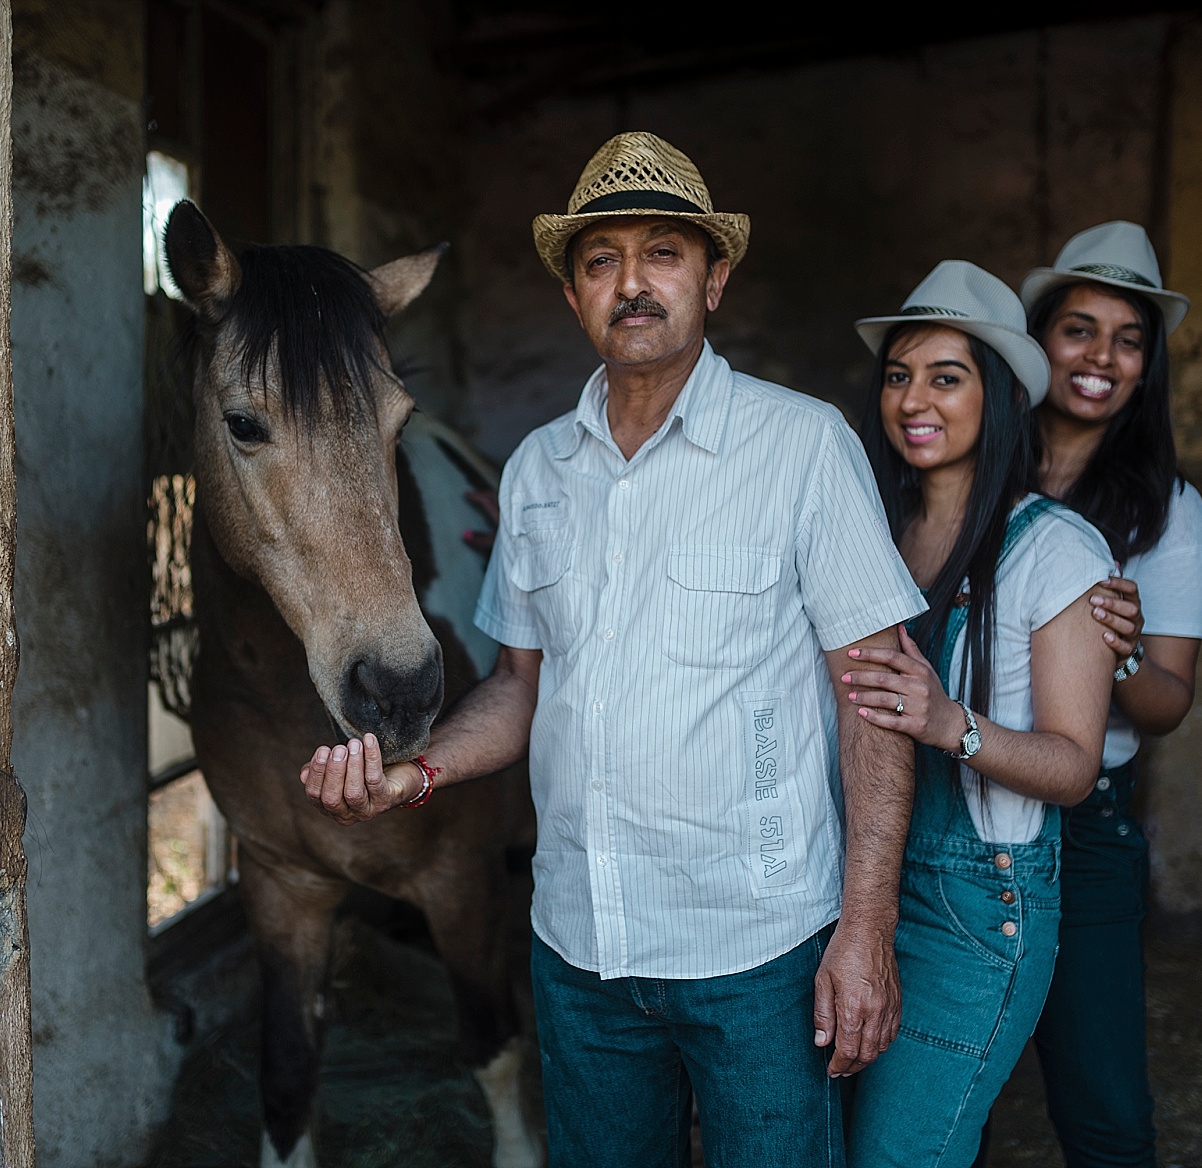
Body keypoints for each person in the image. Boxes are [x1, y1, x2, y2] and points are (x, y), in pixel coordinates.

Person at [298, 131, 927, 1167]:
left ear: (714, 279)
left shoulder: (802, 446)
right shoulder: (541, 470)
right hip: (580, 951)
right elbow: (517, 688)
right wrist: (410, 774)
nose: (630, 282)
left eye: (662, 253)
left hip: (759, 949)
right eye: (600, 261)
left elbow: (873, 699)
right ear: (572, 295)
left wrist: (864, 928)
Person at [840, 260, 1118, 1166]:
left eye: (945, 377)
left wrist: (948, 722)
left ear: (995, 396)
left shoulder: (1058, 551)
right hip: (851, 881)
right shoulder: (865, 531)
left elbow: (1074, 765)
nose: (913, 398)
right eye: (898, 375)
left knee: (901, 1155)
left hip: (976, 905)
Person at [976, 222, 1202, 1168]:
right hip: (947, 805)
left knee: (1105, 1110)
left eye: (1128, 339)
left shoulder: (1168, 510)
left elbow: (1168, 701)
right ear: (1037, 342)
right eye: (1079, 329)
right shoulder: (970, 462)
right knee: (949, 1100)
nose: (1101, 357)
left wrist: (1114, 656)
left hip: (1081, 829)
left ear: (1147, 365)